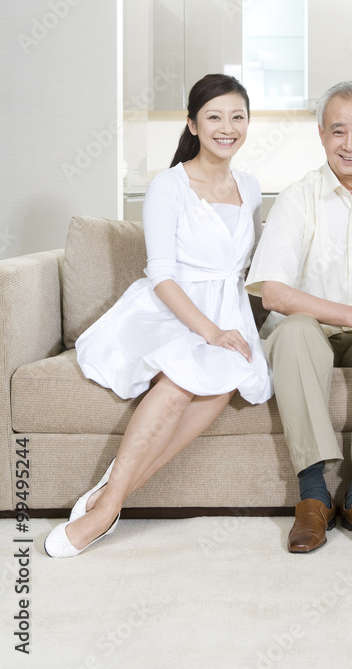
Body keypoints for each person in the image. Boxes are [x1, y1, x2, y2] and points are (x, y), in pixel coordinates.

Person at [45, 74, 272, 558]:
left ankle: (111, 495)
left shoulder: (251, 187)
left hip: (226, 308)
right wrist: (210, 332)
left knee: (225, 379)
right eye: (214, 117)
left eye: (238, 117)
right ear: (192, 123)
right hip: (171, 308)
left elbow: (256, 267)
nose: (227, 127)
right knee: (180, 382)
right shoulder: (169, 184)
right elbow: (162, 275)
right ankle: (106, 513)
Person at [246, 81, 352, 553]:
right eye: (338, 131)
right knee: (294, 331)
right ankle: (314, 497)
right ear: (321, 135)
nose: (350, 143)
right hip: (314, 330)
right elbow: (275, 294)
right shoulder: (297, 197)